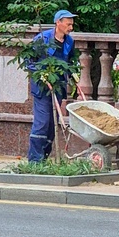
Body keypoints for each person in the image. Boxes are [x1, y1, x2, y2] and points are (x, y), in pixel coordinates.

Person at [26, 9, 78, 162]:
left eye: (72, 25)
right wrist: (41, 74)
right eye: (68, 24)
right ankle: (34, 161)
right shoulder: (42, 39)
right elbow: (29, 60)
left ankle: (44, 158)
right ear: (58, 23)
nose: (71, 28)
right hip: (42, 87)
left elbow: (70, 61)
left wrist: (74, 73)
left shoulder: (69, 41)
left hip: (59, 86)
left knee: (51, 125)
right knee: (42, 123)